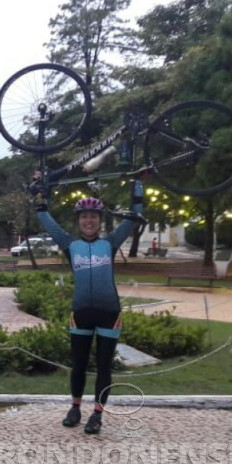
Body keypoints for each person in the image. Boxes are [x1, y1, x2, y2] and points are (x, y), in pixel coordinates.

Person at [33, 179, 143, 434]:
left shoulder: (111, 242)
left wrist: (137, 186)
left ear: (100, 220)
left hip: (109, 314)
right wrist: (40, 193)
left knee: (104, 367)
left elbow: (135, 216)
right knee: (78, 365)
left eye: (93, 217)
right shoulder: (70, 244)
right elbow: (46, 220)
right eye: (84, 217)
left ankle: (97, 415)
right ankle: (75, 408)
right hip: (81, 313)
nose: (89, 221)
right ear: (78, 221)